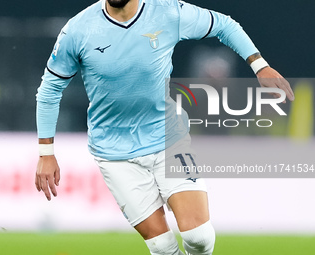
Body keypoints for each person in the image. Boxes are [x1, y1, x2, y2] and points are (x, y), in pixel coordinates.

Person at [35, 0, 294, 254]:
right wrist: (46, 153)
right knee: (161, 247)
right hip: (115, 154)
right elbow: (49, 90)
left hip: (168, 139)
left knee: (199, 238)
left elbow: (225, 25)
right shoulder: (78, 29)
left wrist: (259, 65)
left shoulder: (168, 11)